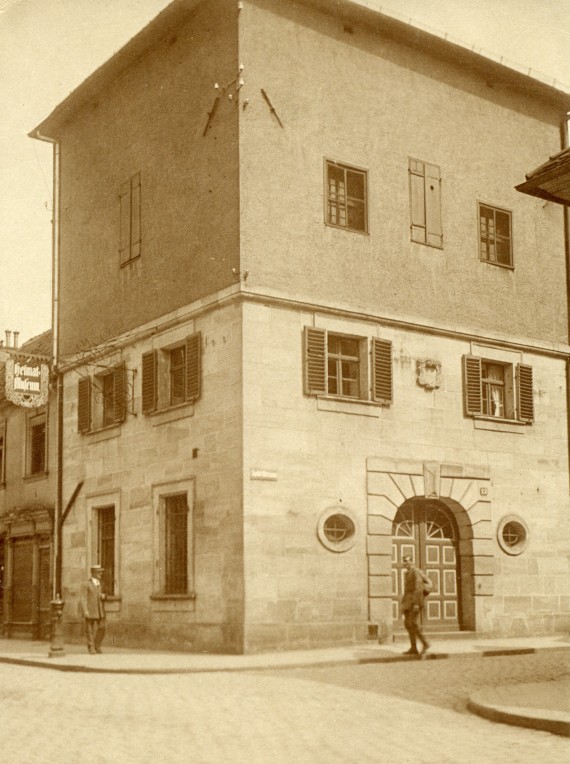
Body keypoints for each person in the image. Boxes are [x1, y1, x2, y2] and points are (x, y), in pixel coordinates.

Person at [400, 555, 430, 657]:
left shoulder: (415, 571)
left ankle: (425, 644)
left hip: (415, 602)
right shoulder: (407, 573)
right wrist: (403, 604)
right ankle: (414, 648)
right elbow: (407, 590)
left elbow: (417, 588)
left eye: (407, 561)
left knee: (411, 623)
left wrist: (416, 604)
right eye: (404, 561)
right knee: (408, 624)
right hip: (409, 602)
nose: (405, 563)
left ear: (412, 562)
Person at [80, 564, 106, 654]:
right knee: (89, 630)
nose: (101, 574)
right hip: (90, 610)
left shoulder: (100, 583)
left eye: (101, 572)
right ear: (94, 573)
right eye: (99, 572)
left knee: (102, 627)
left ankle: (97, 645)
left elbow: (101, 595)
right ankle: (91, 647)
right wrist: (85, 610)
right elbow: (83, 598)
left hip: (100, 610)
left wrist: (103, 596)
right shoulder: (86, 584)